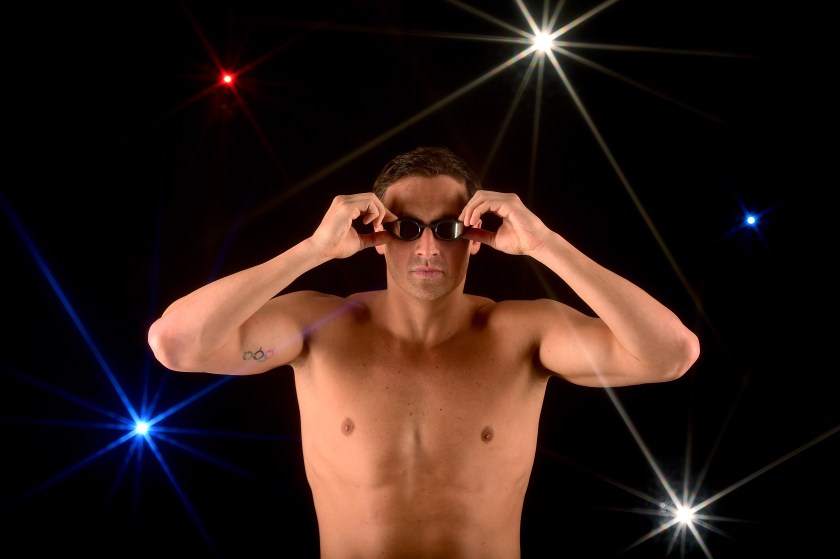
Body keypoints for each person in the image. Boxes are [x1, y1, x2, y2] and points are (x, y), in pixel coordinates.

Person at [148, 145, 700, 558]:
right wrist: (313, 250)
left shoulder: (520, 335)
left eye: (448, 228)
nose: (430, 248)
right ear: (378, 234)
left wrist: (543, 244)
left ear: (477, 234)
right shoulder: (321, 328)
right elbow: (176, 343)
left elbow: (669, 354)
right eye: (409, 228)